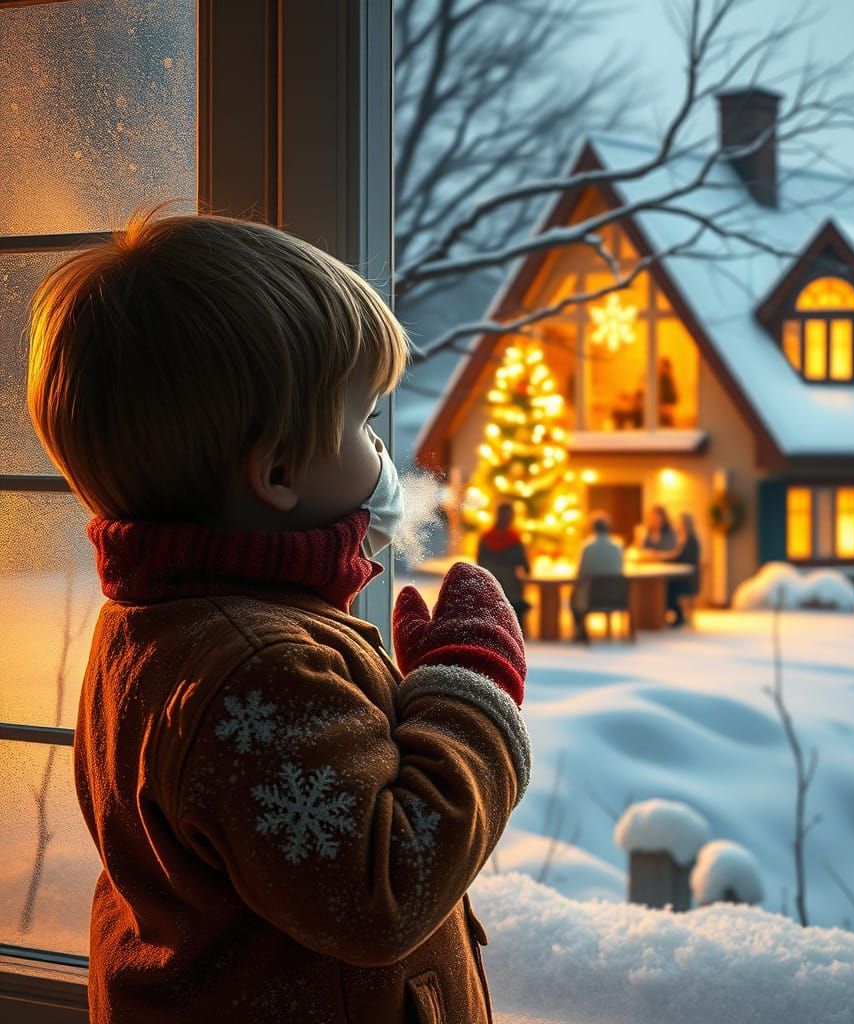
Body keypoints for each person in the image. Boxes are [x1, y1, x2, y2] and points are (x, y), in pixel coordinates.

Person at [27, 210, 530, 1024]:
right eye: (364, 420)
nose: (380, 449)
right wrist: (471, 687)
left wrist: (398, 709)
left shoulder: (164, 622)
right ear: (280, 471)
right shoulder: (257, 668)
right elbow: (384, 887)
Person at [570, 512, 624, 643]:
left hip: (591, 596)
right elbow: (620, 570)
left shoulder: (588, 547)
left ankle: (580, 630)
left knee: (573, 597)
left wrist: (576, 586)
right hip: (615, 594)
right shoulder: (617, 547)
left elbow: (581, 574)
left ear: (592, 528)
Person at [477, 502, 532, 630]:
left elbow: (479, 562)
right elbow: (524, 565)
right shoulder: (515, 539)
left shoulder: (485, 538)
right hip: (511, 590)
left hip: (491, 588)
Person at [665, 512, 702, 626]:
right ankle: (676, 615)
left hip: (688, 580)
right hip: (685, 577)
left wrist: (664, 558)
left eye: (679, 522)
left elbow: (682, 558)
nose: (677, 525)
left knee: (667, 588)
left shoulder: (690, 540)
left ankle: (678, 616)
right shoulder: (685, 538)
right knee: (667, 586)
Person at [658, 356, 678, 427]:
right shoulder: (663, 378)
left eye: (661, 365)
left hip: (666, 405)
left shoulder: (666, 379)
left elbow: (671, 394)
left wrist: (665, 406)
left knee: (667, 423)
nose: (660, 368)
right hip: (664, 405)